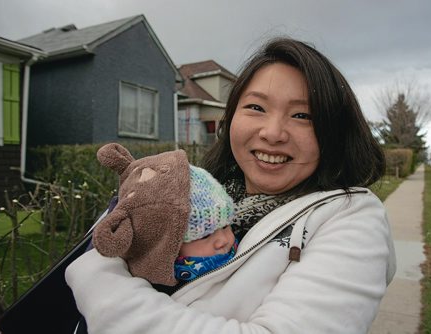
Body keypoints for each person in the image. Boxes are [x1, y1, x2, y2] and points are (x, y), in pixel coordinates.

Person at [65, 36, 396, 333]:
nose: (273, 133)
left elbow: (96, 259)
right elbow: (110, 236)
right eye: (256, 107)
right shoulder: (191, 188)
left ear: (334, 133)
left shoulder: (353, 220)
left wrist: (97, 280)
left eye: (302, 116)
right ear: (231, 116)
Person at [91, 143, 238, 285]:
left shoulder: (235, 258)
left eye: (226, 226)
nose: (223, 240)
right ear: (164, 244)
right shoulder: (145, 289)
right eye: (204, 235)